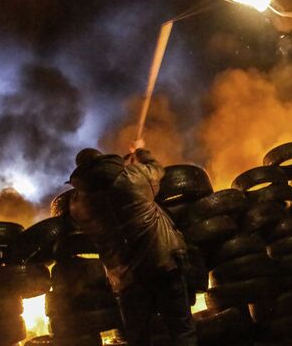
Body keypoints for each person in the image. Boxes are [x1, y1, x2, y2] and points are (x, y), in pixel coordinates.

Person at [68, 142, 196, 346]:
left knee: (138, 339)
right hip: (162, 263)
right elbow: (157, 171)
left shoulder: (78, 205)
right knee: (181, 330)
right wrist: (141, 153)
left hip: (126, 278)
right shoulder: (132, 177)